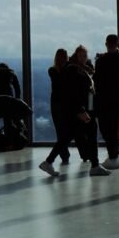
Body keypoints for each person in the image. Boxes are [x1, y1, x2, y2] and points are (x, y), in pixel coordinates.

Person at [62, 46, 110, 177]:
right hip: (83, 109)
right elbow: (74, 93)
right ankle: (94, 165)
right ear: (76, 56)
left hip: (88, 108)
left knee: (85, 134)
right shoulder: (73, 70)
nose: (84, 58)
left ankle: (95, 164)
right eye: (82, 55)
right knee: (82, 134)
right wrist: (81, 110)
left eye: (85, 55)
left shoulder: (84, 68)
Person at [94, 35, 119, 170]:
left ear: (106, 44)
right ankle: (113, 156)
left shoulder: (101, 61)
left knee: (105, 127)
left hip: (103, 98)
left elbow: (96, 79)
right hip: (117, 98)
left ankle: (113, 156)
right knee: (113, 126)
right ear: (117, 43)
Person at [39, 48, 71, 176]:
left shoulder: (54, 70)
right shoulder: (54, 71)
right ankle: (62, 156)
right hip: (61, 104)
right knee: (64, 132)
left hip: (58, 104)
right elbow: (62, 83)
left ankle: (63, 155)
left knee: (62, 132)